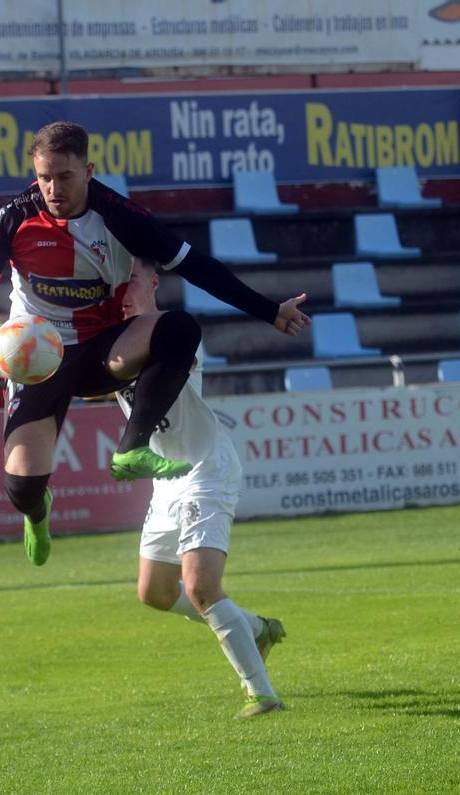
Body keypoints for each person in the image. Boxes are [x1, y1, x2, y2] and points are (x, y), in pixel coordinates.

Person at [0, 121, 309, 568]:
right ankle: (38, 512)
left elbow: (199, 267)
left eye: (64, 176)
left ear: (88, 169)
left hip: (104, 348)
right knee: (21, 487)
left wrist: (269, 310)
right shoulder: (14, 219)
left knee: (180, 329)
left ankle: (132, 448)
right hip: (40, 357)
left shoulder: (122, 217)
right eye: (44, 177)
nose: (53, 188)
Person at [118, 257, 285, 719]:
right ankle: (255, 628)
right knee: (153, 592)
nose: (123, 291)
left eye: (130, 280)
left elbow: (156, 369)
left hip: (206, 468)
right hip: (166, 478)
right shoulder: (112, 343)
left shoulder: (175, 331)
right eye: (115, 284)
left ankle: (261, 692)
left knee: (201, 587)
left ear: (153, 282)